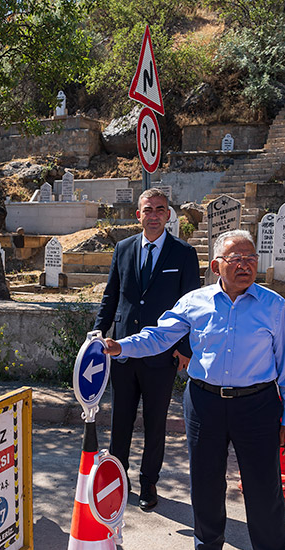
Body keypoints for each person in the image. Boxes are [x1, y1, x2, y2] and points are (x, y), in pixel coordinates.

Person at [102, 229, 285, 550]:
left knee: (264, 492)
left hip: (257, 405)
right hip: (205, 403)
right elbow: (159, 337)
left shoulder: (274, 306)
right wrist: (120, 346)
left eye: (251, 258)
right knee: (205, 482)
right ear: (216, 267)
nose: (245, 264)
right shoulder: (195, 302)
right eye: (236, 258)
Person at [94, 188, 200, 510]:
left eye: (160, 209)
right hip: (122, 350)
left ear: (168, 215)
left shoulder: (183, 253)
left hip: (161, 355)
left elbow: (190, 305)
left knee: (155, 423)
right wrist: (98, 333)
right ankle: (118, 479)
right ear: (138, 215)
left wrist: (184, 347)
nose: (153, 215)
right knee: (120, 421)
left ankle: (149, 482)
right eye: (147, 210)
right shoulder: (123, 249)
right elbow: (112, 296)